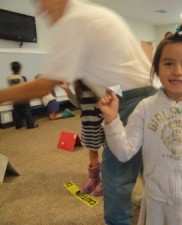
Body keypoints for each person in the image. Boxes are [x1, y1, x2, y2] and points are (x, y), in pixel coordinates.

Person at [0, 1, 156, 224]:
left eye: (42, 2)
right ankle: (154, 201)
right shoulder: (94, 14)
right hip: (147, 93)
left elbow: (44, 84)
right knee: (146, 159)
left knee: (114, 177)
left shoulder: (73, 20)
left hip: (129, 101)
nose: (40, 10)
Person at [99, 22, 182, 225]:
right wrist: (112, 120)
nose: (177, 71)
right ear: (157, 69)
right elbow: (124, 152)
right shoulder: (145, 107)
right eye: (168, 64)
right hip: (156, 201)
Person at [60, 80, 104, 196]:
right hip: (89, 124)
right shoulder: (78, 84)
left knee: (109, 151)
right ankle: (94, 178)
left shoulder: (100, 79)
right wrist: (67, 90)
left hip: (104, 122)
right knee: (92, 150)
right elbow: (78, 104)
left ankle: (106, 178)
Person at [7, 61, 38, 129]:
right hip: (23, 98)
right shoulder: (22, 77)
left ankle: (18, 125)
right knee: (27, 111)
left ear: (12, 69)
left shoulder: (9, 78)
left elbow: (10, 88)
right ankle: (30, 125)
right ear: (20, 68)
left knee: (17, 112)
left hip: (15, 98)